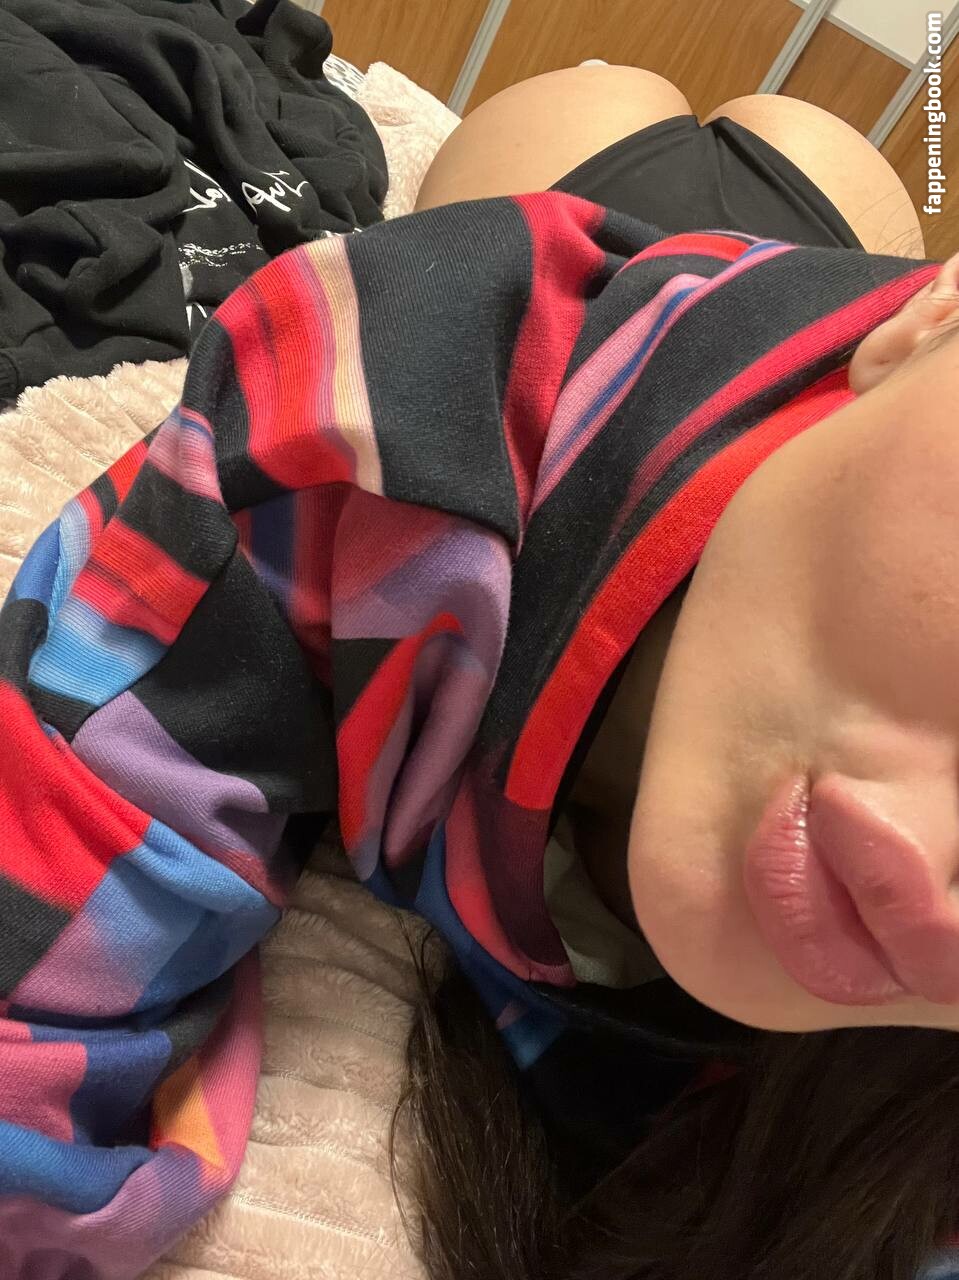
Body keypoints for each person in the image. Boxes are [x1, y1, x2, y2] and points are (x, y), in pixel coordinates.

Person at [1, 63, 958, 1280]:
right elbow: (59, 850)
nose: (931, 882)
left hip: (820, 338)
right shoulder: (379, 401)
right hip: (605, 259)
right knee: (623, 105)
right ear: (931, 321)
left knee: (828, 146)